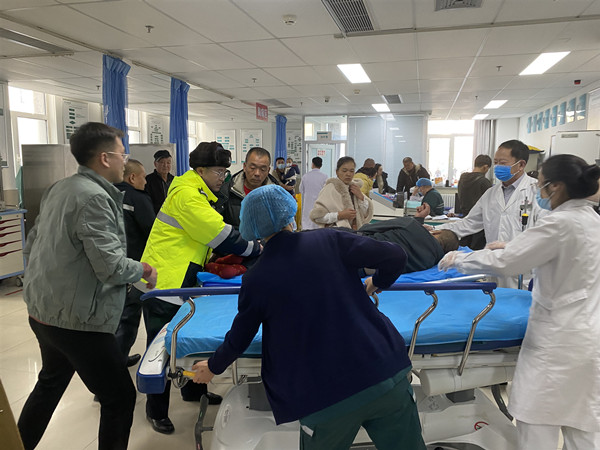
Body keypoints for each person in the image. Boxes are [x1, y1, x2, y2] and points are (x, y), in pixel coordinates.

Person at [191, 184, 426, 450]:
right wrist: (377, 282)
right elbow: (395, 255)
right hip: (385, 372)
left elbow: (240, 337)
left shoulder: (257, 279)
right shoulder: (330, 240)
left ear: (251, 228)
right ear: (289, 213)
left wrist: (213, 367)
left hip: (326, 396)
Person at [438, 154, 600, 450]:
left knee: (537, 421)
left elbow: (507, 262)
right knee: (581, 427)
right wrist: (513, 245)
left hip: (556, 342)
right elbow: (560, 252)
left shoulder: (559, 223)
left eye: (541, 184)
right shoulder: (592, 220)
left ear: (556, 186)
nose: (539, 191)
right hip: (587, 339)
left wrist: (459, 259)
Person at [17, 122, 157, 450]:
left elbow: (32, 245)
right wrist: (143, 269)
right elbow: (110, 267)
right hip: (77, 323)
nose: (125, 161)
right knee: (119, 398)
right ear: (105, 158)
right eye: (123, 154)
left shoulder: (60, 188)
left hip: (44, 311)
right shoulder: (94, 197)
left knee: (50, 383)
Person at [141, 141, 262, 435]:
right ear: (200, 171)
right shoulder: (187, 196)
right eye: (218, 172)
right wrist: (257, 248)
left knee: (185, 338)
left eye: (224, 172)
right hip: (164, 280)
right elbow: (220, 234)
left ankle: (193, 390)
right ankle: (155, 410)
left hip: (186, 276)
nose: (222, 177)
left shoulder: (200, 193)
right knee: (162, 348)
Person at [432, 140, 544, 288]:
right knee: (496, 299)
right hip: (494, 270)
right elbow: (469, 223)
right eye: (496, 162)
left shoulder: (537, 192)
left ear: (521, 165)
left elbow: (543, 235)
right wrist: (436, 229)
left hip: (524, 272)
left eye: (503, 163)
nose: (497, 167)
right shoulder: (491, 193)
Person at [114, 159, 156, 367]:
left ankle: (115, 358)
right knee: (129, 316)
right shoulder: (137, 198)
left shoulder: (107, 194)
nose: (145, 182)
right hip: (134, 265)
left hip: (110, 264)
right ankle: (116, 364)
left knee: (114, 316)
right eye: (143, 177)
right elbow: (152, 229)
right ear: (132, 177)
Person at [343, 217, 459, 273]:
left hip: (352, 246)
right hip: (359, 270)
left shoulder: (411, 224)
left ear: (436, 232)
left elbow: (367, 228)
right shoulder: (428, 263)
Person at [215, 146, 279, 228]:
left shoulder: (276, 194)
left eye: (263, 169)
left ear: (268, 170)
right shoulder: (227, 191)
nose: (257, 173)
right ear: (244, 167)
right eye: (252, 168)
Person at [310, 156, 374, 230]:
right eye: (344, 171)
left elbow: (364, 215)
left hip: (353, 233)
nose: (348, 174)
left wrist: (361, 197)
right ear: (337, 172)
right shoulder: (329, 189)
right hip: (334, 233)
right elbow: (318, 217)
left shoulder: (354, 188)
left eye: (351, 171)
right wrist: (339, 215)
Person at [456, 154, 493, 250]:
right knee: (477, 249)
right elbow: (491, 203)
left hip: (465, 217)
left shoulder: (462, 178)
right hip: (479, 222)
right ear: (485, 167)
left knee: (464, 248)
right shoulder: (484, 182)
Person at [299, 156, 328, 230]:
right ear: (321, 165)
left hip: (307, 203)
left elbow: (301, 190)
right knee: (318, 222)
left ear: (312, 164)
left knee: (307, 222)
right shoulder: (325, 177)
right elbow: (326, 191)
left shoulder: (305, 176)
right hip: (320, 203)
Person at [146, 149, 174, 214]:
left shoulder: (174, 180)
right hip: (156, 215)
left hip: (172, 215)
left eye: (168, 163)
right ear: (155, 164)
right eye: (162, 162)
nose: (165, 165)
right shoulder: (148, 180)